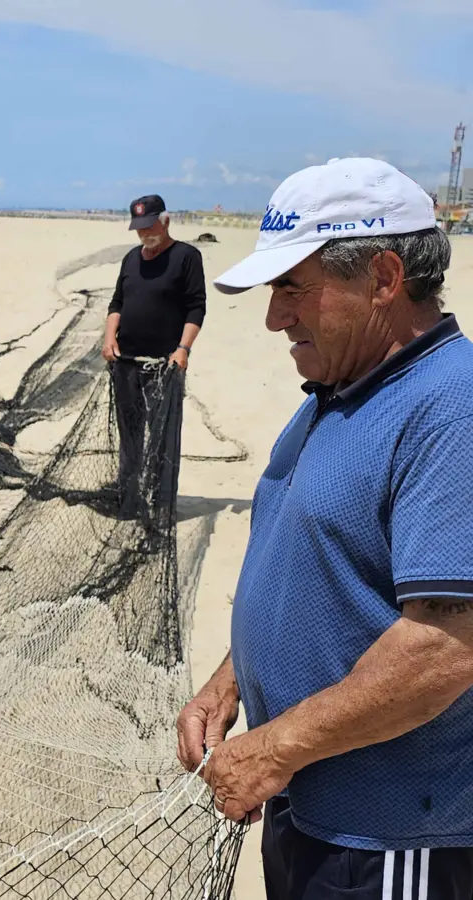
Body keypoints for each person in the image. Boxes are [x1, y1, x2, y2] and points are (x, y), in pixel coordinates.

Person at [176, 158, 473, 899]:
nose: (276, 317)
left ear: (381, 279)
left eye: (293, 289)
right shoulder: (337, 390)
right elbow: (320, 562)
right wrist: (234, 676)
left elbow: (447, 645)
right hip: (306, 804)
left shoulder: (450, 410)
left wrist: (275, 749)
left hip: (391, 836)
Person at [102, 194, 206, 522]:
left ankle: (161, 506)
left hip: (164, 365)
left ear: (165, 221)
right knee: (130, 434)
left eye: (149, 226)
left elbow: (196, 307)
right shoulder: (132, 258)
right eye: (138, 228)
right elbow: (117, 302)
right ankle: (130, 499)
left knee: (163, 437)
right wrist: (108, 340)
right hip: (126, 362)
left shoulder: (187, 257)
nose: (144, 234)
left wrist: (183, 349)